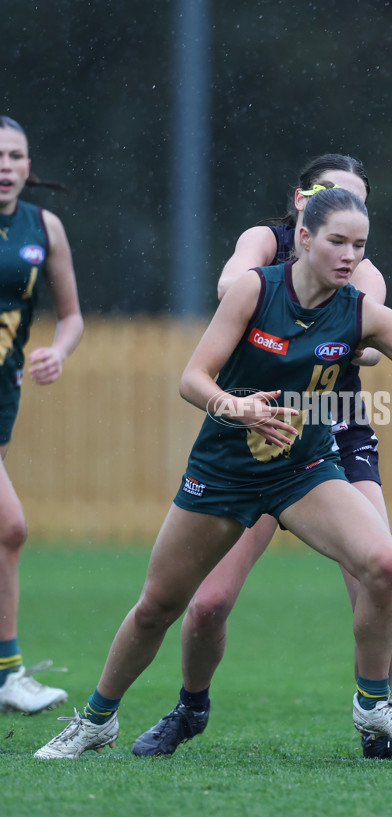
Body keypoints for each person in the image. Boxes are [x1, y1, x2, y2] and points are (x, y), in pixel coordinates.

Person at [34, 186, 392, 759]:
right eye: (337, 242)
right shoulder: (254, 289)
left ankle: (374, 704)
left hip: (305, 469)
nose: (349, 256)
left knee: (383, 563)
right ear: (303, 237)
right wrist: (236, 406)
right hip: (224, 470)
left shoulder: (360, 311)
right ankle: (96, 720)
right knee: (158, 608)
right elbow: (193, 378)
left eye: (360, 246)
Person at [132, 153, 392, 762]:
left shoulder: (359, 269)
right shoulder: (263, 245)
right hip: (262, 427)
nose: (347, 237)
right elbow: (227, 287)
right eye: (329, 203)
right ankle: (190, 708)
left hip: (335, 429)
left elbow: (373, 350)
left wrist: (335, 324)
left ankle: (379, 721)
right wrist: (276, 294)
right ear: (302, 204)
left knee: (377, 574)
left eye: (358, 216)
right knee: (209, 602)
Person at [0, 116, 84, 714]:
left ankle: (7, 673)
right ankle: (8, 672)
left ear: (29, 167)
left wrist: (57, 349)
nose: (5, 166)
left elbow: (72, 315)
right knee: (10, 527)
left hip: (6, 395)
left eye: (16, 156)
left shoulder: (43, 227)